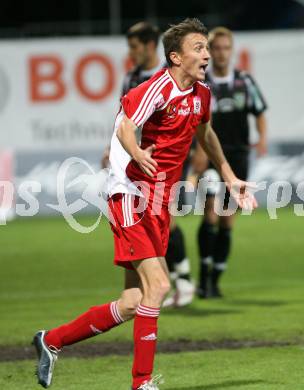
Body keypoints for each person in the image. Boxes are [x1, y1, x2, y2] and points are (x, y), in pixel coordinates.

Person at [32, 18, 257, 390]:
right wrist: (137, 151)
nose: (206, 54)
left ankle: (50, 340)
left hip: (158, 201)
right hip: (129, 194)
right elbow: (125, 125)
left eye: (206, 48)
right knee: (159, 286)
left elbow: (206, 133)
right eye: (198, 48)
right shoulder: (158, 88)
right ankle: (142, 383)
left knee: (134, 300)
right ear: (175, 57)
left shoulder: (201, 94)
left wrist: (230, 176)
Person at [101, 21, 195, 307]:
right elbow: (125, 118)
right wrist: (114, 148)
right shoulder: (131, 78)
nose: (131, 54)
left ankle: (181, 279)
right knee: (153, 221)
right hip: (137, 164)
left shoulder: (167, 77)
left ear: (150, 46)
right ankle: (163, 284)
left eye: (134, 47)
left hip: (164, 161)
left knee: (167, 218)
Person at [195, 27, 267, 299]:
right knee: (211, 211)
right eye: (217, 48)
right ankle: (203, 278)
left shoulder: (244, 81)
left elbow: (259, 111)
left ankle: (214, 280)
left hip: (237, 157)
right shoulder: (201, 83)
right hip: (212, 156)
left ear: (231, 50)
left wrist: (262, 138)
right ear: (210, 52)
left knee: (227, 221)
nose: (222, 53)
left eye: (226, 48)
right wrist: (198, 151)